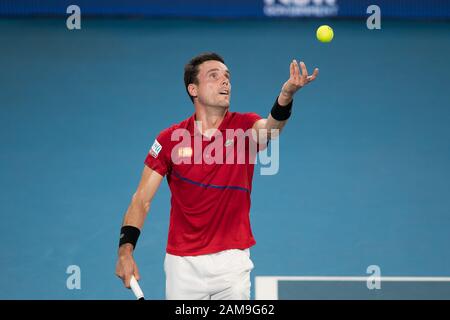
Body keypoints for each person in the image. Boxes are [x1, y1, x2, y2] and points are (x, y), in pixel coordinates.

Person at [115, 52, 318, 300]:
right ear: (194, 89)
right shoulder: (168, 140)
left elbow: (271, 130)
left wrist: (286, 95)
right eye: (214, 76)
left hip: (232, 262)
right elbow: (141, 200)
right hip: (182, 265)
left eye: (227, 77)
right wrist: (125, 252)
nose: (225, 82)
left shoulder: (245, 127)